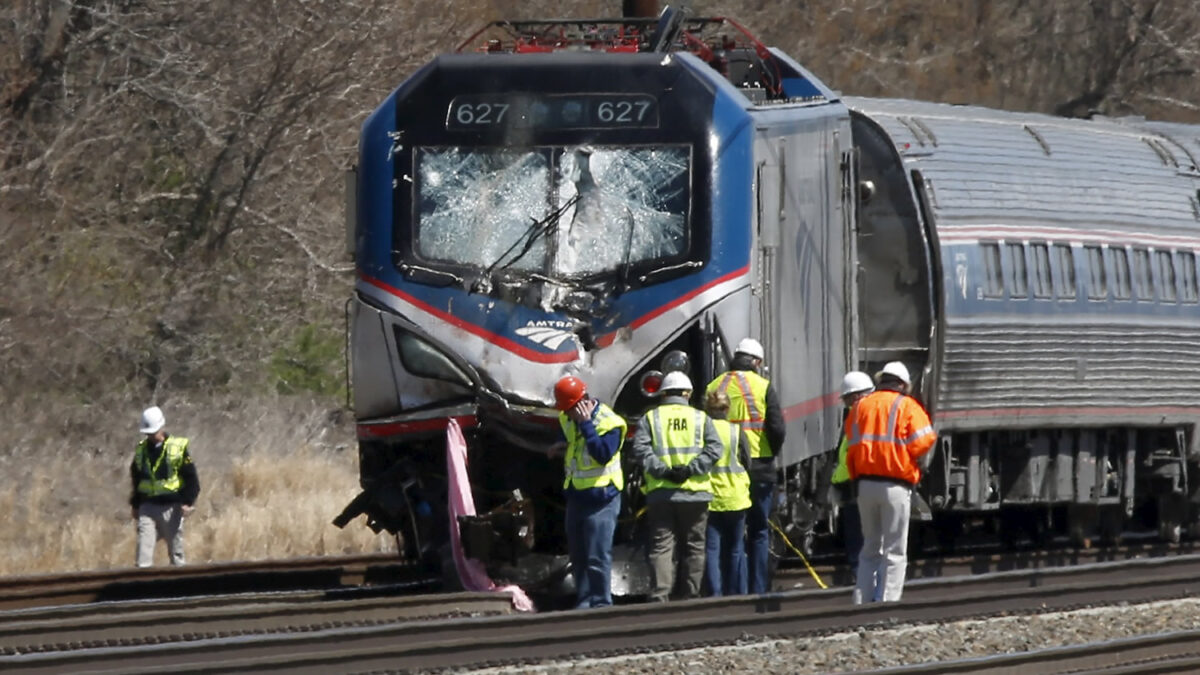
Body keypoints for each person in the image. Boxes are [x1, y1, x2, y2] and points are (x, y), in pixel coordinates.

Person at [845, 361, 936, 603]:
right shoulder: (907, 405)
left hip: (864, 486)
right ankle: (886, 604)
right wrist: (904, 452)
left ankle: (861, 600)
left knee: (870, 549)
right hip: (895, 485)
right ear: (903, 384)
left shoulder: (860, 407)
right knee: (894, 551)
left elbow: (851, 445)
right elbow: (925, 439)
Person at [631, 371, 723, 601]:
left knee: (662, 547)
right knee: (694, 546)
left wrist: (665, 471)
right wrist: (690, 469)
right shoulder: (702, 418)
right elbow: (714, 449)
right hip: (695, 493)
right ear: (687, 393)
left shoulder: (650, 419)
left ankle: (660, 596)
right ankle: (691, 595)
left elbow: (641, 451)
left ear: (662, 394)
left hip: (662, 493)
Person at [706, 337, 786, 595]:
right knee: (760, 531)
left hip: (724, 472)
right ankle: (758, 590)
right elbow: (777, 428)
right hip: (760, 468)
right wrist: (769, 454)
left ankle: (727, 594)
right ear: (757, 362)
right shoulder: (763, 386)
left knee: (729, 537)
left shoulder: (714, 385)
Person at [553, 375, 627, 609]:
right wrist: (559, 446)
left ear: (581, 403)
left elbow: (603, 453)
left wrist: (586, 425)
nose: (567, 414)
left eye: (570, 409)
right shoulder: (568, 419)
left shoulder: (609, 423)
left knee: (597, 555)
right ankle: (585, 600)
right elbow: (573, 443)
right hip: (577, 496)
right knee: (579, 555)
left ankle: (601, 603)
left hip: (602, 497)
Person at [129, 406, 200, 567]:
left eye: (153, 432)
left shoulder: (177, 448)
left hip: (171, 507)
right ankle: (142, 589)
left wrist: (188, 502)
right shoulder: (141, 451)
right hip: (147, 506)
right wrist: (135, 504)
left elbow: (191, 478)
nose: (151, 436)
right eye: (148, 433)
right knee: (143, 556)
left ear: (161, 427)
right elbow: (137, 479)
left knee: (176, 554)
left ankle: (181, 588)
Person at [702, 389, 752, 596]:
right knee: (735, 549)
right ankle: (734, 593)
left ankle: (715, 595)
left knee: (712, 550)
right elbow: (748, 461)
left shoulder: (703, 430)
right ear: (727, 408)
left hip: (710, 497)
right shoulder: (735, 431)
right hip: (736, 497)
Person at [830, 370, 874, 595]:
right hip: (853, 482)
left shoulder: (861, 415)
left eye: (847, 399)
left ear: (856, 396)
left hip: (858, 483)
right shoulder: (857, 415)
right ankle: (864, 580)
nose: (845, 404)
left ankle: (864, 582)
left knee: (860, 536)